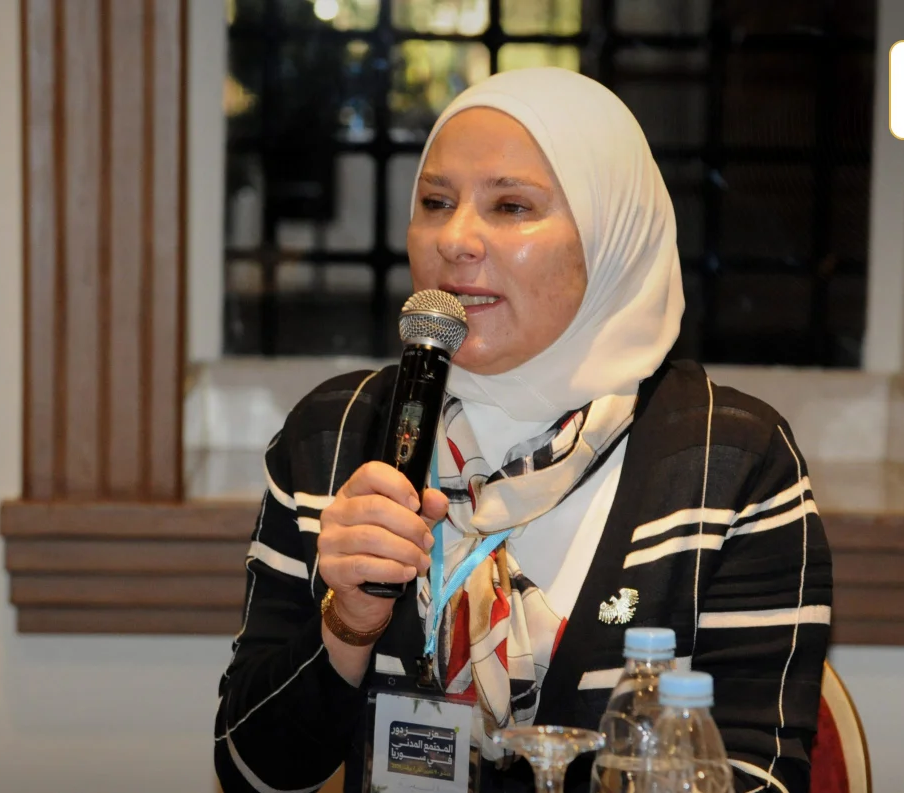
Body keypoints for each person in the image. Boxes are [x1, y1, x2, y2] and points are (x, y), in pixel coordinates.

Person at [214, 67, 832, 793]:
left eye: (510, 206)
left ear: (609, 234)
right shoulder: (335, 437)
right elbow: (251, 771)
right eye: (435, 202)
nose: (455, 239)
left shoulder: (729, 467)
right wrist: (347, 621)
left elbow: (759, 775)